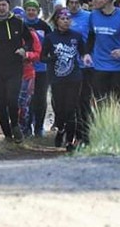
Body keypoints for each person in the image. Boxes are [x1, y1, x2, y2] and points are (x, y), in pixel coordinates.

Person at [0, 0, 34, 143]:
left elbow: (30, 40)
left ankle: (15, 126)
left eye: (4, 5)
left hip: (14, 68)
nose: (1, 8)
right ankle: (7, 135)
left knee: (12, 100)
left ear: (9, 6)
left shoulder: (18, 22)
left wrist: (24, 50)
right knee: (0, 103)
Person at [41, 8, 85, 152]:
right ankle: (60, 130)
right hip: (56, 78)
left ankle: (70, 141)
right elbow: (42, 57)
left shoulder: (76, 36)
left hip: (74, 77)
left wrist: (87, 57)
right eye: (62, 19)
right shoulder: (50, 38)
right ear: (56, 21)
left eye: (68, 19)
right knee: (60, 110)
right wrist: (51, 58)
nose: (66, 21)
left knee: (71, 110)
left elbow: (83, 52)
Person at [65, 0, 93, 145]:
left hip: (86, 65)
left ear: (81, 4)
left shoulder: (89, 17)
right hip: (68, 65)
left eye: (77, 3)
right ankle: (73, 135)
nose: (74, 6)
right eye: (71, 3)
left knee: (84, 100)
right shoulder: (63, 17)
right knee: (71, 102)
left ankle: (85, 135)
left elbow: (94, 37)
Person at [22, 0, 53, 137]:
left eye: (33, 10)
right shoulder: (20, 25)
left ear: (38, 11)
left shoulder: (44, 26)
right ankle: (26, 126)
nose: (31, 12)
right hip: (26, 68)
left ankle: (39, 127)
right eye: (28, 9)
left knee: (40, 98)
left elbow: (51, 44)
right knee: (26, 99)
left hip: (42, 67)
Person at [12, 6, 42, 138]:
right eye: (15, 17)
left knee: (24, 104)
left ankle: (25, 130)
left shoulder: (31, 33)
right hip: (10, 74)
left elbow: (38, 54)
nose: (18, 20)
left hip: (27, 74)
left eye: (20, 17)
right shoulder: (7, 33)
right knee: (12, 103)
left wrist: (27, 55)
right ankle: (16, 129)